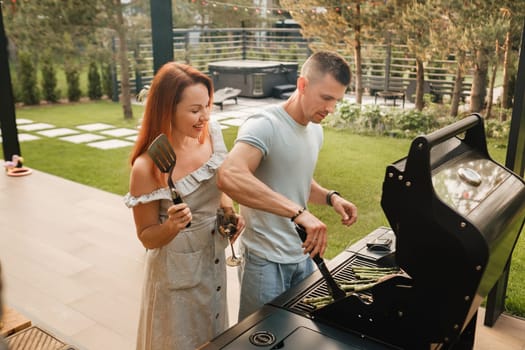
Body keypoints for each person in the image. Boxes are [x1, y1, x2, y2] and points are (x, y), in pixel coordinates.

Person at [216, 50, 358, 321]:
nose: (330, 109)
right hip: (264, 261)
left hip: (303, 256)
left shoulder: (315, 129)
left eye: (336, 100)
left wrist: (330, 198)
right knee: (258, 339)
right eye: (326, 98)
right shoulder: (264, 125)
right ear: (302, 85)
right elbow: (229, 175)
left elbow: (297, 181)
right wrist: (298, 212)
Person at [124, 62, 244, 350]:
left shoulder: (212, 135)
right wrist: (170, 226)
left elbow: (220, 188)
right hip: (174, 275)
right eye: (194, 110)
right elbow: (147, 237)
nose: (204, 117)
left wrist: (228, 212)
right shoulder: (146, 167)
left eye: (207, 105)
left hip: (212, 261)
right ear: (167, 109)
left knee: (213, 336)